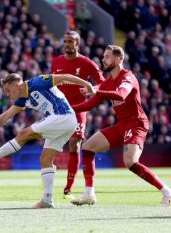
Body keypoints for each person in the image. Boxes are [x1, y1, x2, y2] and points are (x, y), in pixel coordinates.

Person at [0, 73, 95, 208]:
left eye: (8, 90)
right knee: (45, 160)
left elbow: (64, 77)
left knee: (24, 134)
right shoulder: (23, 99)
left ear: (17, 85)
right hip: (64, 123)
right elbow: (7, 116)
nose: (7, 95)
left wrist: (87, 85)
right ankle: (47, 200)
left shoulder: (37, 82)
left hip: (63, 116)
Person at [70, 45, 171, 207]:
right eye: (103, 56)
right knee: (88, 147)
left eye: (107, 57)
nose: (103, 59)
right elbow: (89, 105)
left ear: (118, 59)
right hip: (122, 124)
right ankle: (89, 193)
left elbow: (121, 94)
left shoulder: (128, 77)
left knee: (130, 162)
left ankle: (167, 192)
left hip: (136, 123)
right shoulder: (108, 82)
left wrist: (96, 90)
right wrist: (67, 109)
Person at [52, 31, 105, 200]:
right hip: (59, 110)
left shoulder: (86, 63)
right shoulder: (56, 62)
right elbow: (53, 83)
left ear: (77, 44)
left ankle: (68, 187)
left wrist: (91, 90)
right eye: (65, 41)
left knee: (74, 145)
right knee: (51, 145)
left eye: (70, 42)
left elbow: (102, 82)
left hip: (79, 110)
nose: (67, 44)